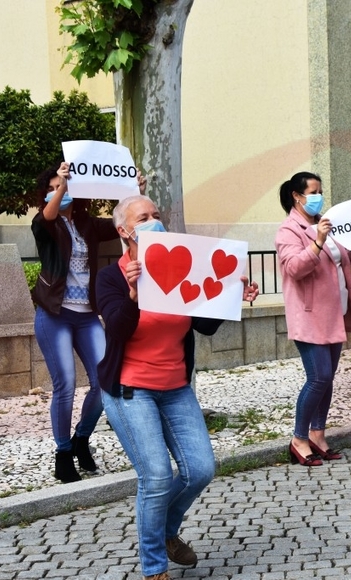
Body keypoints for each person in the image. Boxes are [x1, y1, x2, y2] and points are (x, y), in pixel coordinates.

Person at [95, 195, 259, 580]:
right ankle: (154, 567)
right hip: (129, 389)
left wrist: (231, 296)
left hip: (176, 388)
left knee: (200, 469)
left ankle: (166, 531)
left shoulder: (182, 267)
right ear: (124, 231)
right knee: (155, 477)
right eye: (144, 217)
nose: (154, 221)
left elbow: (202, 325)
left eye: (156, 215)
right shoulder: (111, 277)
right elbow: (117, 329)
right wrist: (134, 296)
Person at [32, 161, 145, 483]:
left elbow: (121, 224)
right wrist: (65, 185)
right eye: (52, 188)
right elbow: (48, 216)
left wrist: (136, 191)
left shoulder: (86, 224)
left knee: (103, 382)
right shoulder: (44, 224)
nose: (59, 192)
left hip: (86, 315)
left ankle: (82, 438)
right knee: (65, 385)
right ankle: (63, 452)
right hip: (54, 315)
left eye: (63, 186)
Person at [275, 171, 351, 466]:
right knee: (319, 377)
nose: (319, 197)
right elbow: (294, 268)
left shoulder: (325, 223)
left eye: (320, 191)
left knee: (328, 380)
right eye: (313, 191)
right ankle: (299, 438)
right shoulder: (289, 230)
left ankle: (318, 434)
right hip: (309, 316)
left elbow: (338, 259)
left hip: (334, 313)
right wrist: (317, 241)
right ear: (297, 196)